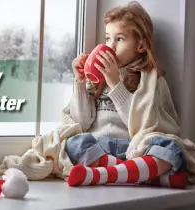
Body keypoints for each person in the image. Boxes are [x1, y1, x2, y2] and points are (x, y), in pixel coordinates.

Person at [65, 1, 188, 188]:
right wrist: (80, 81)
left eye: (119, 39)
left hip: (134, 149)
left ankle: (106, 174)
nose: (111, 46)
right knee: (74, 143)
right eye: (107, 39)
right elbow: (82, 122)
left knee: (172, 148)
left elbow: (143, 124)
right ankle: (141, 175)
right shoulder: (98, 79)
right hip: (101, 147)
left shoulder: (150, 80)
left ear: (140, 46)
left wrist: (115, 83)